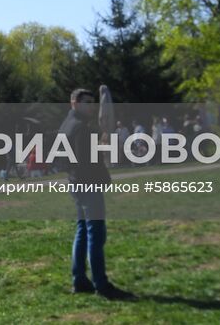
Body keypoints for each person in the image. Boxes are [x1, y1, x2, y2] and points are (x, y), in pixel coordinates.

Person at [59, 87, 133, 301]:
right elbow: (88, 161)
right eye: (86, 102)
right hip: (87, 185)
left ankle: (79, 279)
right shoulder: (81, 127)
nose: (91, 106)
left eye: (92, 102)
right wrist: (101, 147)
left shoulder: (66, 125)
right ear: (74, 103)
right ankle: (101, 284)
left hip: (76, 184)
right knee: (95, 234)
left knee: (82, 231)